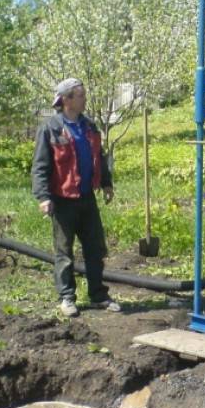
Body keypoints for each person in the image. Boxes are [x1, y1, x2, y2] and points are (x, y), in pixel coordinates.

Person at [31, 78, 121, 317]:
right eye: (80, 95)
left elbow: (98, 157)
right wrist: (43, 197)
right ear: (67, 100)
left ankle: (98, 295)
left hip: (86, 198)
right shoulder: (50, 128)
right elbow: (40, 167)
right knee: (64, 252)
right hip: (62, 200)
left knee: (95, 249)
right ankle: (67, 298)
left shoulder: (89, 126)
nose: (85, 99)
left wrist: (106, 182)